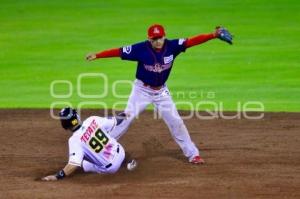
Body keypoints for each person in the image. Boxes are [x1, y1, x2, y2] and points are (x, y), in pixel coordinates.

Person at [86, 24, 233, 164]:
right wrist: (98, 55)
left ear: (164, 36)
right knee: (125, 119)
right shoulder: (140, 49)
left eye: (160, 37)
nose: (157, 41)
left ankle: (193, 154)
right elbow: (118, 52)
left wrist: (214, 35)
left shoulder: (172, 46)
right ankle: (97, 150)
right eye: (154, 39)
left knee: (176, 122)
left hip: (162, 92)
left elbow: (192, 41)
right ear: (149, 39)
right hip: (141, 90)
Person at [42, 108, 137, 181]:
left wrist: (57, 176)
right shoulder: (92, 120)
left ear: (65, 126)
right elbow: (116, 121)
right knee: (108, 139)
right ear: (77, 117)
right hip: (121, 152)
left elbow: (72, 165)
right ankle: (127, 162)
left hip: (111, 168)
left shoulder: (74, 140)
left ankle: (118, 171)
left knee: (82, 162)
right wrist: (124, 114)